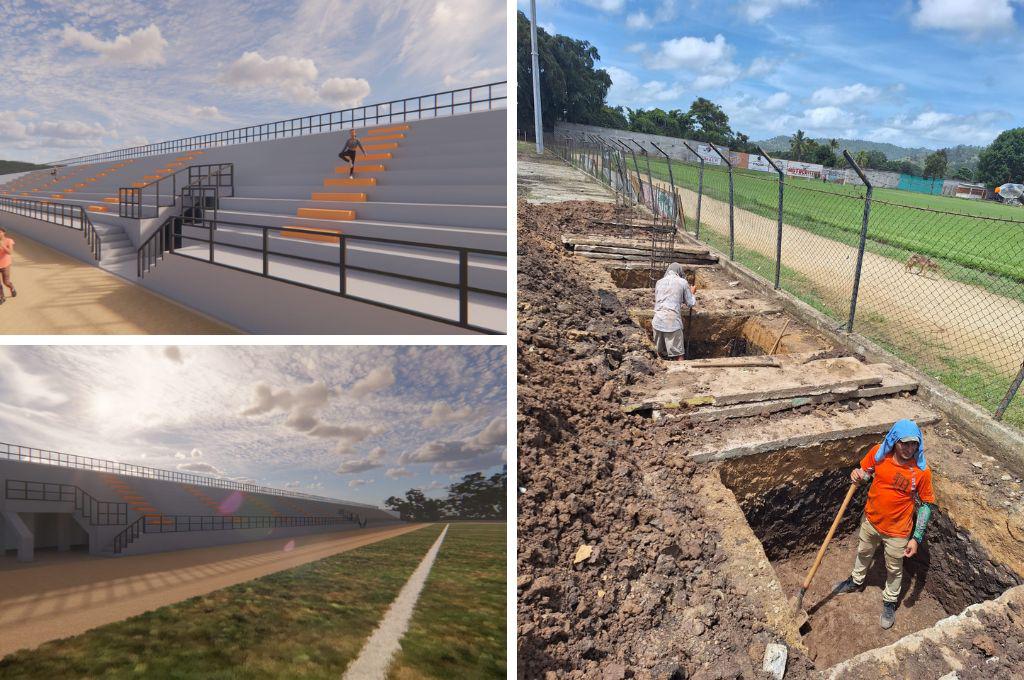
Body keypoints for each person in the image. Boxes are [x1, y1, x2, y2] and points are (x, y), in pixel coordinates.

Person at [833, 419, 936, 629]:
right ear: (893, 441)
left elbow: (926, 505)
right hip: (871, 520)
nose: (909, 449)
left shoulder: (921, 472)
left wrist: (916, 538)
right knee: (863, 553)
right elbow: (866, 473)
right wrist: (858, 475)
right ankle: (856, 581)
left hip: (897, 532)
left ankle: (889, 602)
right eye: (903, 444)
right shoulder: (879, 454)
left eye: (913, 444)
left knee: (894, 569)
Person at [651, 262, 696, 360]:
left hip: (657, 321)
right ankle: (681, 372)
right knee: (678, 355)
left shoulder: (659, 282)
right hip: (672, 323)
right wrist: (692, 293)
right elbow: (690, 303)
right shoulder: (682, 282)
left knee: (658, 354)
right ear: (679, 272)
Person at [0, 228, 16, 305]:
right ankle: (2, 297)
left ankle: (12, 288)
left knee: (6, 282)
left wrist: (3, 245)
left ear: (4, 233)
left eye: (0, 232)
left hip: (5, 265)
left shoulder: (9, 241)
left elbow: (10, 252)